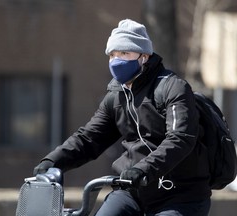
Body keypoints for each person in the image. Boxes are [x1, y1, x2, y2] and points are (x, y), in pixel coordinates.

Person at [33, 19, 211, 216]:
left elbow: (180, 139)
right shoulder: (116, 96)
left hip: (180, 195)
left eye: (124, 53)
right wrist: (52, 162)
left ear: (144, 56)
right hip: (132, 193)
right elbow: (89, 138)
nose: (116, 60)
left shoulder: (173, 87)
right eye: (112, 55)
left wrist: (142, 170)